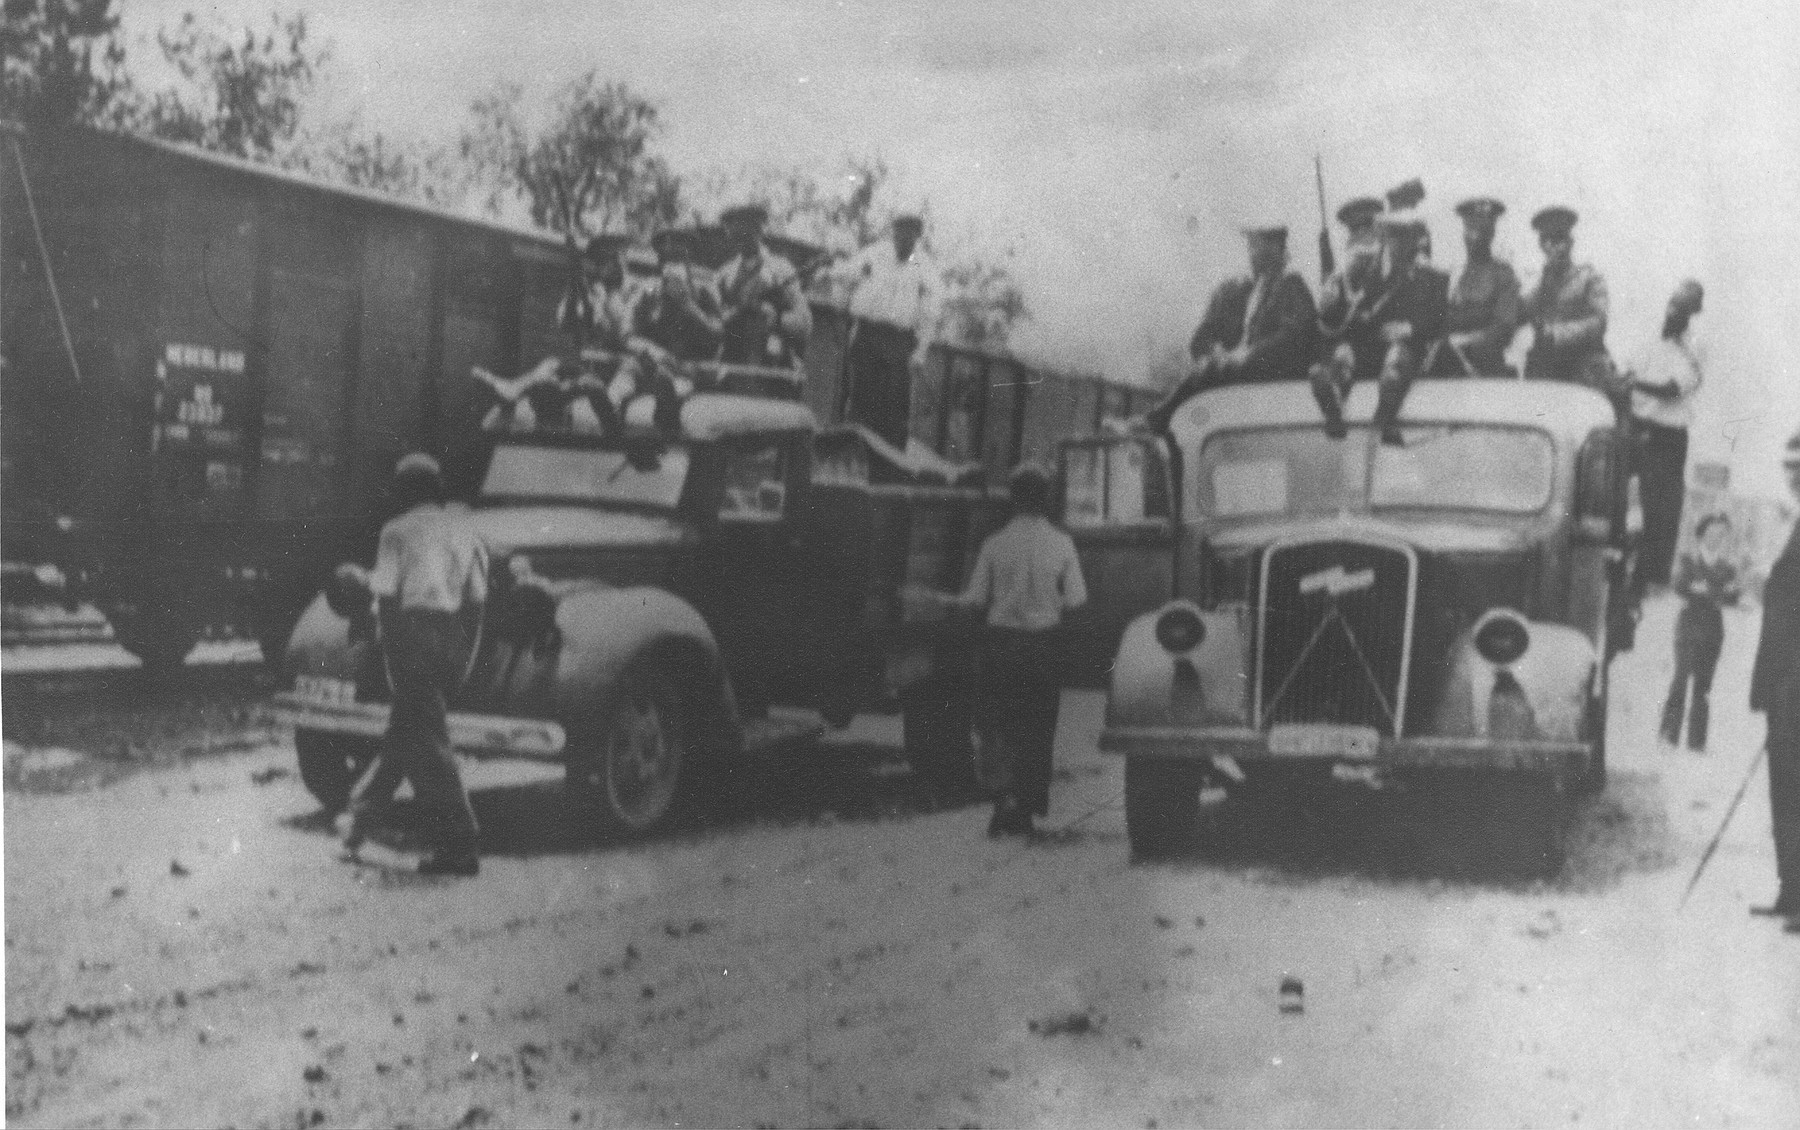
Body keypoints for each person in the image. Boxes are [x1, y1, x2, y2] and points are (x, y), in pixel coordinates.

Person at [344, 453, 488, 877]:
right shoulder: (465, 531)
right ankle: (359, 823)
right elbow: (477, 602)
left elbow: (385, 598)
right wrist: (464, 658)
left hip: (412, 637)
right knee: (407, 734)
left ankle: (462, 845)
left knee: (432, 747)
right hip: (453, 636)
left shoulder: (397, 533)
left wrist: (390, 655)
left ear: (404, 492)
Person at [931, 465, 1088, 836]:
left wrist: (946, 602)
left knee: (997, 724)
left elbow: (975, 600)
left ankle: (1003, 798)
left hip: (1000, 645)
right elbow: (1077, 599)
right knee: (1036, 727)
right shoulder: (1062, 544)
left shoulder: (994, 544)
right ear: (1046, 500)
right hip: (1042, 646)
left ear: (1013, 500)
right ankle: (1027, 804)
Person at [1144, 225, 1318, 431]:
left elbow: (1295, 335)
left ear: (1275, 248)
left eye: (1256, 244)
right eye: (1250, 245)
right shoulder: (1242, 291)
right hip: (1242, 382)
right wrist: (1218, 353)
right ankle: (1157, 423)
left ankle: (1154, 421)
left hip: (1272, 385)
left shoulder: (1292, 286)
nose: (1251, 253)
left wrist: (1247, 355)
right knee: (1206, 374)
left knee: (1207, 374)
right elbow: (1201, 339)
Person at [1311, 210, 1448, 443]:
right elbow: (1339, 320)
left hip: (1405, 352)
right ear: (1383, 237)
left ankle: (1381, 424)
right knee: (1325, 371)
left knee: (1394, 368)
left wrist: (1411, 329)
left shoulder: (1432, 276)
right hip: (1367, 348)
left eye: (1407, 237)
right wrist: (1330, 303)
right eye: (1393, 236)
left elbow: (1441, 320)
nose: (1400, 244)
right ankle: (1335, 417)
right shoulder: (1363, 270)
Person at [835, 210, 943, 450]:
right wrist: (844, 309)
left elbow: (929, 314)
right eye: (899, 232)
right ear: (893, 232)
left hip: (898, 341)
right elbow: (844, 277)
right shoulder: (874, 254)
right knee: (859, 399)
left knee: (893, 406)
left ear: (917, 237)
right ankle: (852, 455)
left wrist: (920, 352)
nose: (903, 239)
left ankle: (888, 468)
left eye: (910, 234)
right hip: (866, 334)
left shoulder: (922, 265)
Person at [1626, 280, 1707, 593]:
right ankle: (1625, 570)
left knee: (1660, 508)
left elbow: (1673, 390)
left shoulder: (1695, 348)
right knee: (1630, 499)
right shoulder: (1651, 340)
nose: (1673, 312)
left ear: (1691, 314)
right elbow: (1629, 367)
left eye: (1681, 308)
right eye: (1672, 304)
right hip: (1638, 426)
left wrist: (1634, 384)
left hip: (1669, 435)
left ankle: (1649, 579)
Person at [1750, 432, 1800, 929]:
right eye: (1789, 466)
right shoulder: (1792, 525)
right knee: (1783, 791)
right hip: (1784, 685)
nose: (1793, 476)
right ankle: (1791, 893)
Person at [1660, 514, 1741, 753]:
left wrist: (1705, 589)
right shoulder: (1688, 560)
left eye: (1721, 534)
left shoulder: (1728, 567)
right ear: (1701, 534)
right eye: (1711, 533)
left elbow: (1733, 596)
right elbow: (1680, 585)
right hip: (1687, 629)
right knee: (1680, 680)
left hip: (1713, 632)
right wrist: (1714, 591)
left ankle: (1697, 741)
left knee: (1703, 686)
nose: (1716, 538)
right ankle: (1668, 735)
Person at [1523, 206, 1615, 390]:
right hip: (1546, 369)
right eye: (1545, 240)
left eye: (1558, 239)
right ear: (1541, 245)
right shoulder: (1539, 284)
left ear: (1570, 242)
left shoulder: (1588, 277)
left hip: (1583, 367)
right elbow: (1519, 313)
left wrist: (1557, 334)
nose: (1553, 247)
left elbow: (1598, 322)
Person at [1429, 196, 1521, 376]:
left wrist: (1464, 341)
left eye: (1483, 230)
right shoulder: (1454, 274)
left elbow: (1504, 327)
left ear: (1492, 233)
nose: (1475, 236)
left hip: (1486, 366)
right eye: (1470, 228)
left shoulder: (1504, 274)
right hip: (1449, 364)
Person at [715, 203, 813, 368]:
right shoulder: (724, 274)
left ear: (759, 230)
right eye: (735, 235)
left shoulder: (781, 270)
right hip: (732, 360)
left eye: (746, 233)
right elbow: (714, 319)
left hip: (773, 359)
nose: (740, 240)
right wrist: (732, 315)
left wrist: (776, 319)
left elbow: (805, 324)